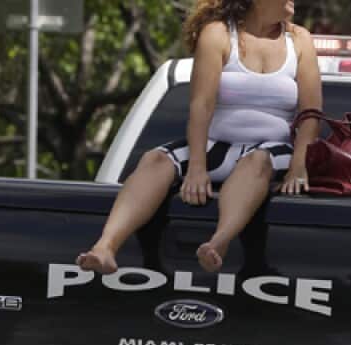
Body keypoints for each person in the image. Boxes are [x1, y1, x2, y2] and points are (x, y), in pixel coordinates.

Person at [77, 0, 322, 274]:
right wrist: (196, 168)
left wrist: (299, 165)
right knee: (154, 159)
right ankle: (105, 247)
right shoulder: (218, 34)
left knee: (256, 163)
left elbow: (311, 113)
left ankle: (218, 243)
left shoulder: (299, 40)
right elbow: (201, 105)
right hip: (216, 146)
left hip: (272, 151)